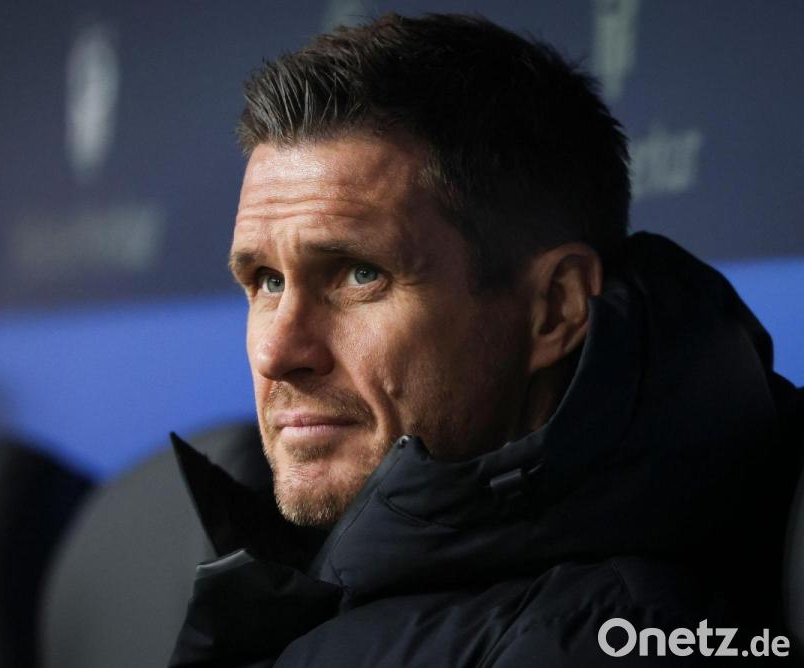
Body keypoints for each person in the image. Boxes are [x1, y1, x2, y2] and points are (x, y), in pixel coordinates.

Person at [168, 13, 802, 666]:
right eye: (268, 281)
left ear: (554, 309)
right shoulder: (316, 568)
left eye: (360, 275)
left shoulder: (599, 640)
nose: (276, 352)